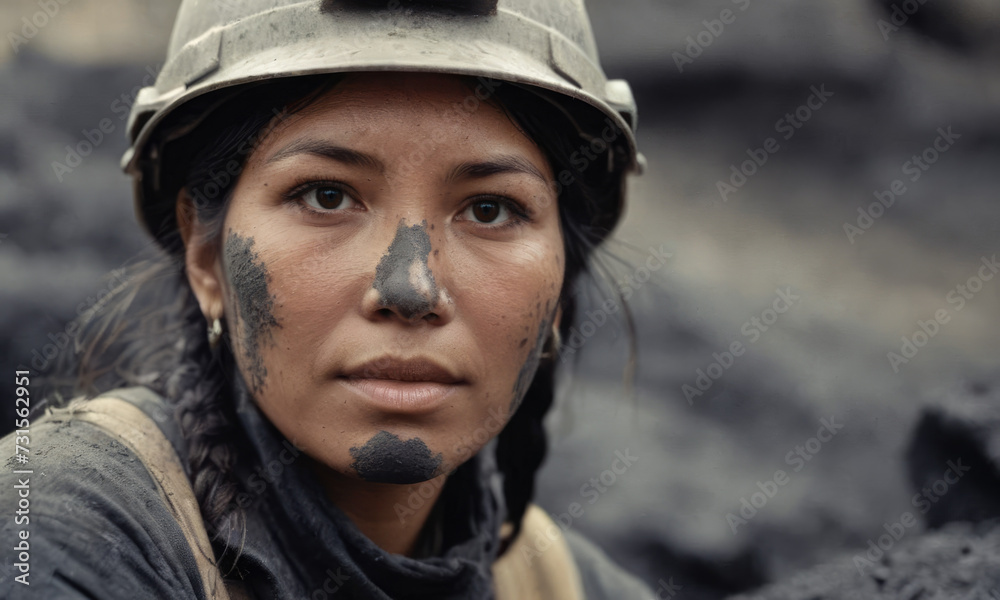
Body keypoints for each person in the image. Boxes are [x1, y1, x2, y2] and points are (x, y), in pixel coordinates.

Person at [1, 0, 651, 598]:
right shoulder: (59, 526)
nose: (411, 289)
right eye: (327, 196)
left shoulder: (563, 584)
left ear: (559, 292)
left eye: (490, 209)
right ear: (206, 257)